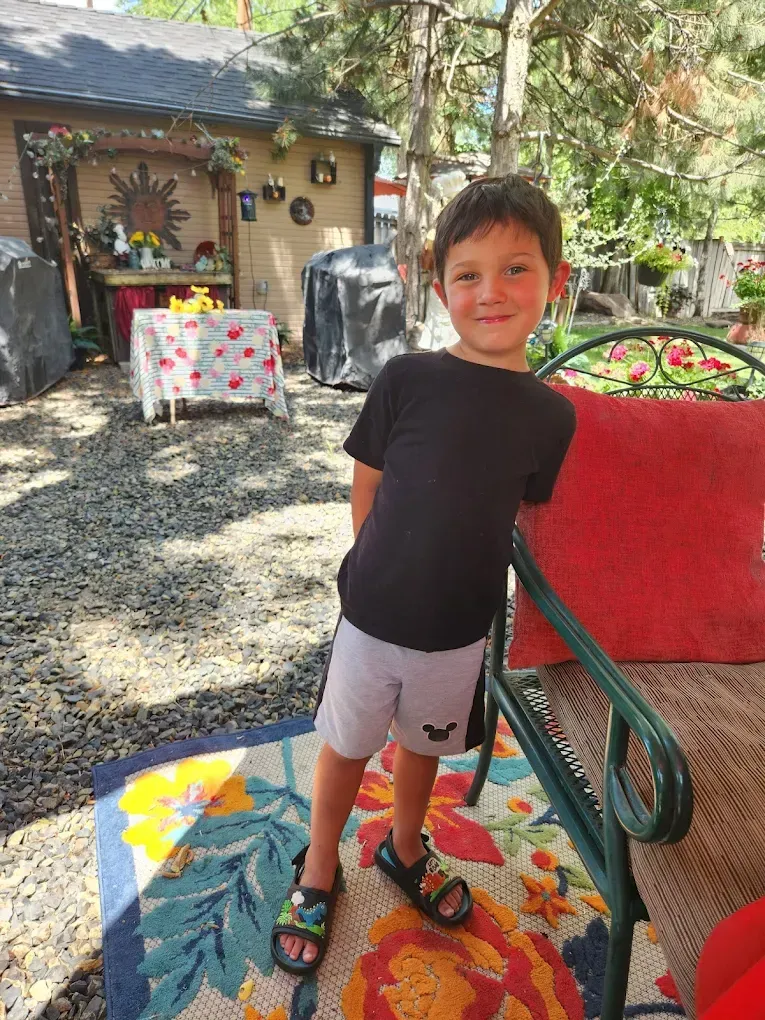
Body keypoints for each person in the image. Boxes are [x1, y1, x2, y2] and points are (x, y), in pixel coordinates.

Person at [271, 174, 577, 974]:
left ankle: (404, 845)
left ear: (555, 281)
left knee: (422, 744)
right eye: (468, 274)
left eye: (515, 269)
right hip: (373, 615)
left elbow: (527, 520)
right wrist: (373, 566)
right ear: (440, 289)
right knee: (346, 745)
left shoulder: (552, 416)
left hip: (458, 630)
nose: (491, 291)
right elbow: (367, 479)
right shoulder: (406, 378)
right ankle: (318, 864)